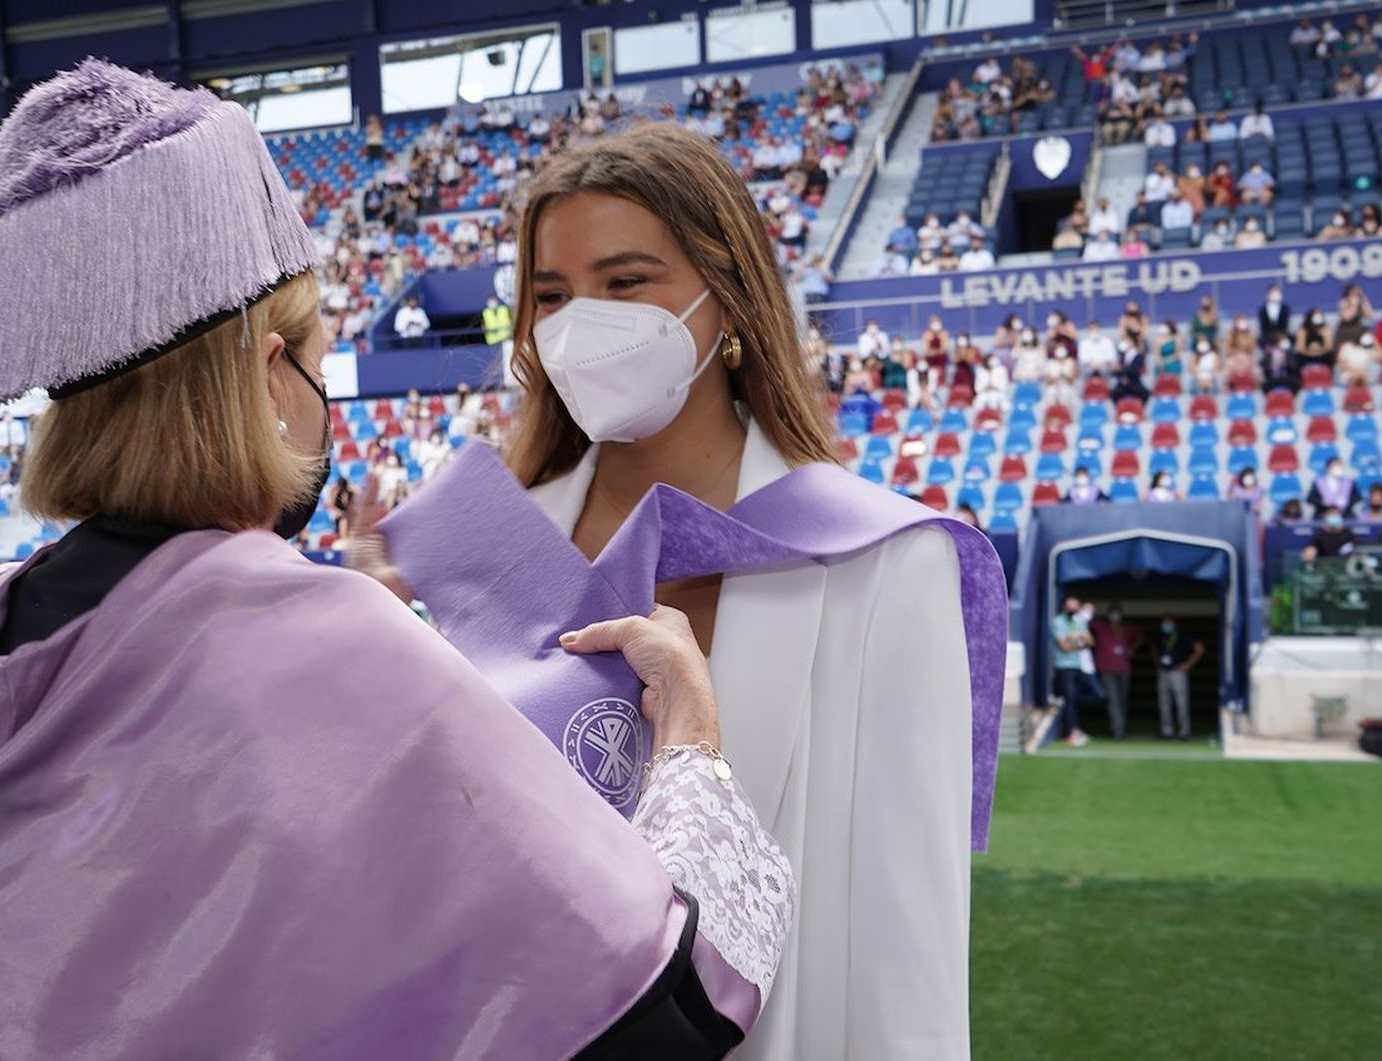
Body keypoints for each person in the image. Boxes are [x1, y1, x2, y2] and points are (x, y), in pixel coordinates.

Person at [0, 62, 795, 1059]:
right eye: (316, 359)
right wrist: (692, 747)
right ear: (268, 376)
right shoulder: (332, 643)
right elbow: (671, 1005)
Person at [350, 122, 1004, 1059]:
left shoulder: (887, 565)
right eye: (550, 295)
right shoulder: (487, 548)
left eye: (625, 283)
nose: (580, 323)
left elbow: (912, 946)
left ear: (727, 299)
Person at [1090, 604, 1141, 740]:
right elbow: (1085, 620)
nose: (1114, 615)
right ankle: (1118, 731)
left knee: (1122, 700)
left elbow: (1141, 634)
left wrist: (1133, 649)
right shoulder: (1101, 625)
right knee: (1113, 700)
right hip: (1106, 668)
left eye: (1117, 612)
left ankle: (1119, 727)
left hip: (1124, 669)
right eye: (1112, 613)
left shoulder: (1128, 628)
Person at [1153, 615, 1205, 739]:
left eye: (1169, 622)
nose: (1166, 625)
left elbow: (1200, 648)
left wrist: (1188, 664)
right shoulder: (1160, 636)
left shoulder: (1183, 636)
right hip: (1163, 672)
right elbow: (1153, 649)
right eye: (1164, 622)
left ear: (1174, 624)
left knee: (1181, 703)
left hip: (1178, 673)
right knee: (1164, 703)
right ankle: (1167, 731)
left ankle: (1184, 731)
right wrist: (1157, 665)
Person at [1051, 595, 1093, 746]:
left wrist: (1074, 639)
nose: (1073, 611)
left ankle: (1075, 729)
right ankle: (1069, 733)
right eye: (1070, 608)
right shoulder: (1058, 622)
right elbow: (1064, 647)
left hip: (1078, 666)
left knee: (1079, 698)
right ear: (1064, 607)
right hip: (1063, 667)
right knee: (1069, 700)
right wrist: (1078, 641)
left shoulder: (1078, 622)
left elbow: (1090, 641)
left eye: (1075, 608)